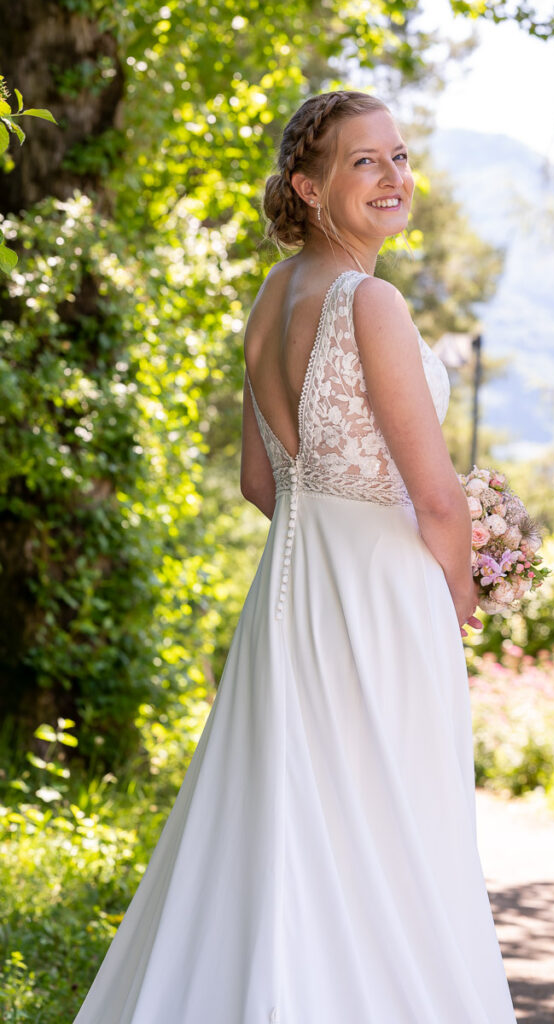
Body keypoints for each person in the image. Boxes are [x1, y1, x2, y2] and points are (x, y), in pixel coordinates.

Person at [73, 90, 517, 1024]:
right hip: (384, 601)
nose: (394, 176)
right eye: (365, 161)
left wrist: (326, 542)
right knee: (392, 828)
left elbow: (258, 480)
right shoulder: (371, 302)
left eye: (399, 156)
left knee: (284, 820)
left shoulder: (272, 296)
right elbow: (437, 498)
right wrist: (456, 600)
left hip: (290, 589)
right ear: (309, 189)